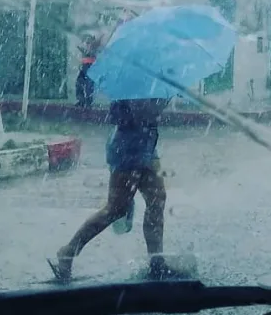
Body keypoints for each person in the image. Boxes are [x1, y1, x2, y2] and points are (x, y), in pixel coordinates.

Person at [49, 97, 186, 281]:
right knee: (116, 208)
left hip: (147, 145)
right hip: (127, 147)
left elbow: (151, 113)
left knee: (157, 200)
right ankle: (68, 252)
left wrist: (162, 98)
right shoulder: (131, 84)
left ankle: (156, 263)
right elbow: (137, 113)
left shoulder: (151, 80)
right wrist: (157, 104)